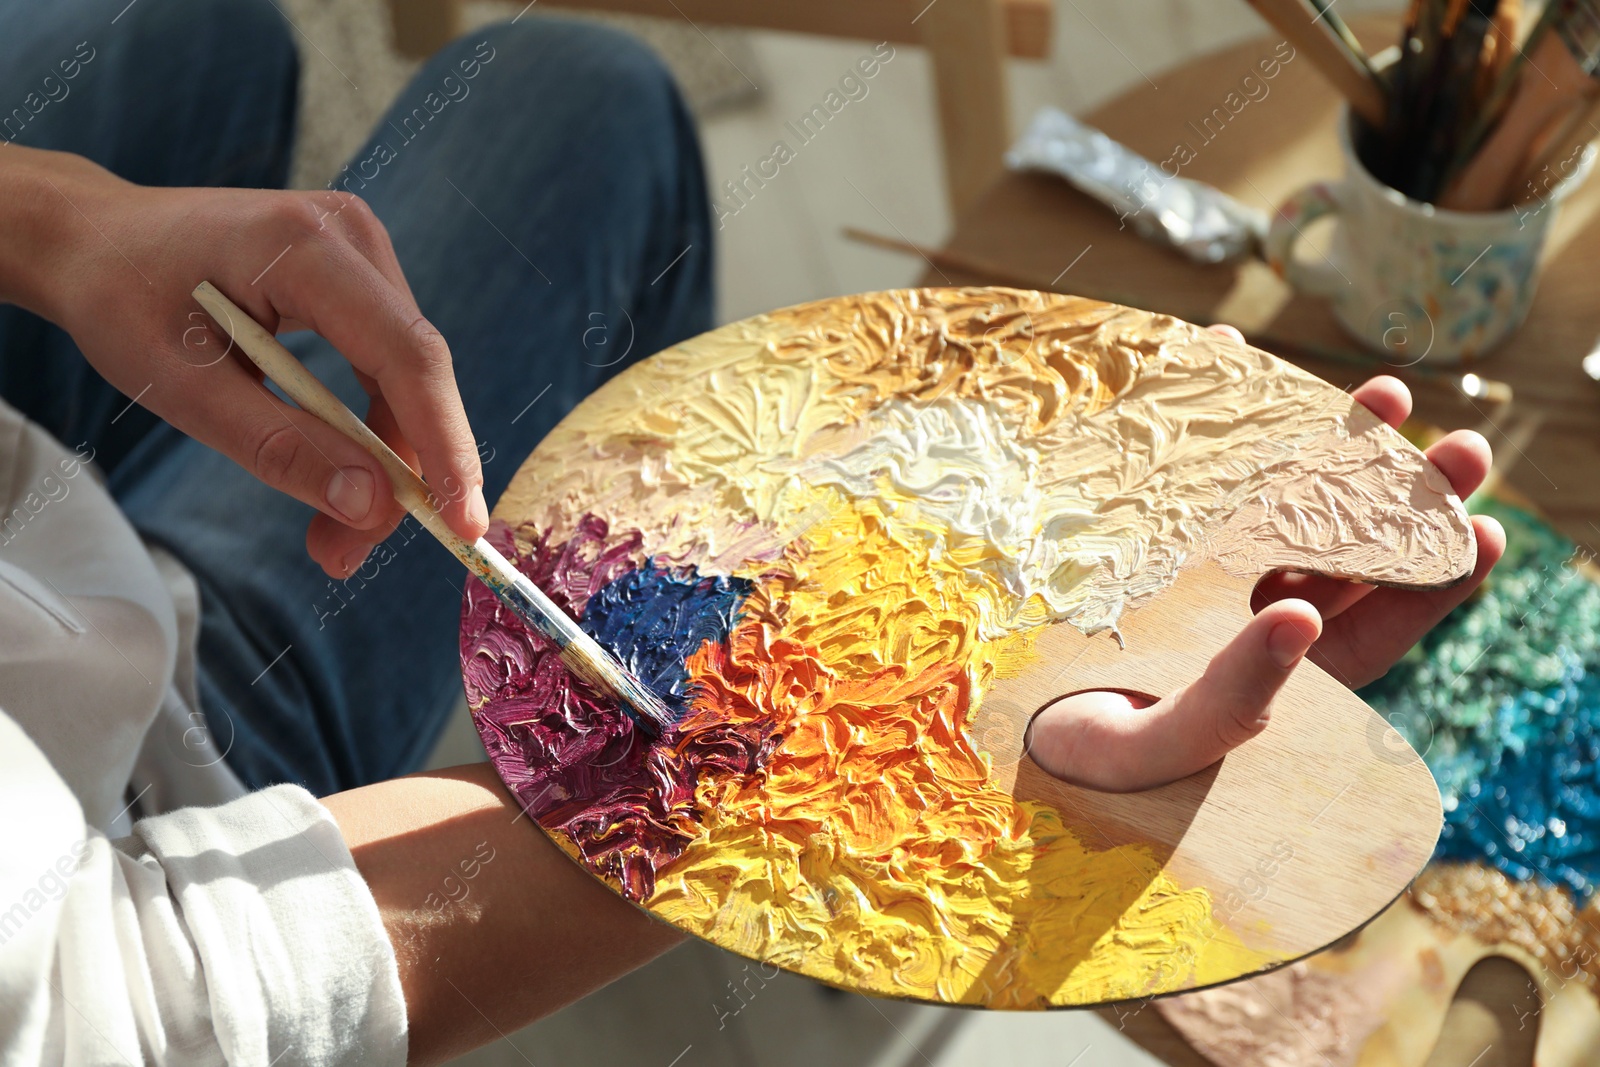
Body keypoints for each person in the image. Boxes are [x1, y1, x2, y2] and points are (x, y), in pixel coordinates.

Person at [0, 2, 1503, 1065]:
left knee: (200, 31)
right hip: (131, 796)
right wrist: (919, 782)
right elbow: (189, 1001)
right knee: (592, 107)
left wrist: (55, 225)